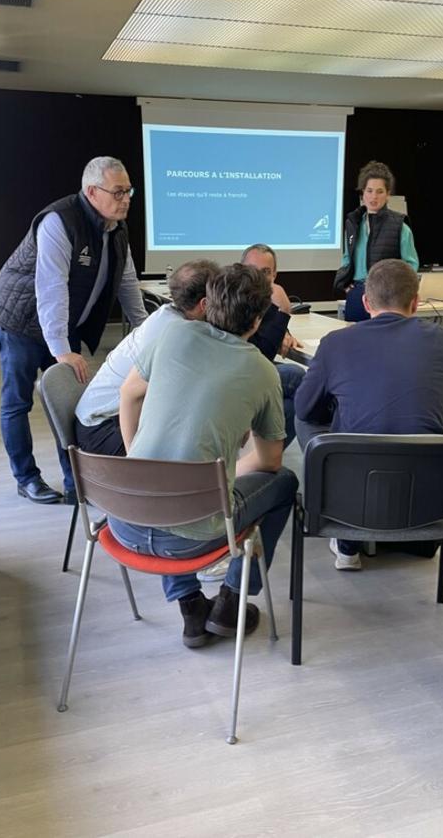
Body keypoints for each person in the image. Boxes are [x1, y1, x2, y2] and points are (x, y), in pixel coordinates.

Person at [111, 263, 298, 649]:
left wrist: (135, 463)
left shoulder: (173, 333)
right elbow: (270, 462)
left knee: (168, 484)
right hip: (190, 540)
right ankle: (232, 600)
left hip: (122, 519)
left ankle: (191, 609)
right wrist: (220, 478)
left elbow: (129, 393)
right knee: (286, 483)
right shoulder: (262, 371)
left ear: (207, 304)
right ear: (260, 319)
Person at [295, 258, 443, 571]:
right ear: (416, 302)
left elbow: (305, 408)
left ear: (365, 302)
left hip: (352, 499)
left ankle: (347, 542)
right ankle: (417, 535)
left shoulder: (335, 343)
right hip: (431, 503)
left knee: (311, 419)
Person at [0, 156, 147, 505]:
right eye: (119, 191)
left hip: (60, 322)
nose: (126, 198)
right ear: (92, 192)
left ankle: (77, 483)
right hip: (20, 320)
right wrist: (61, 350)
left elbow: (127, 281)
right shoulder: (59, 222)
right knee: (17, 400)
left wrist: (147, 331)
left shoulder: (116, 227)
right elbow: (51, 288)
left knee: (70, 402)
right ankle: (26, 478)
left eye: (129, 191)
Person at [73, 259, 219, 456]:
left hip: (102, 421)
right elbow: (131, 394)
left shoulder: (167, 315)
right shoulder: (177, 332)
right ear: (205, 304)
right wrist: (136, 458)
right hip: (103, 429)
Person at [334, 160, 419, 323]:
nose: (374, 196)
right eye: (369, 191)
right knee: (356, 344)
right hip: (358, 293)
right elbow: (347, 258)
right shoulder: (353, 223)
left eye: (379, 191)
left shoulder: (400, 226)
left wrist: (400, 292)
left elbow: (411, 265)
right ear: (362, 193)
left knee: (386, 344)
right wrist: (345, 285)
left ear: (388, 194)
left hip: (388, 297)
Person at [241, 243, 305, 446]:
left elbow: (263, 325)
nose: (260, 278)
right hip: (238, 374)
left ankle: (260, 452)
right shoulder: (236, 299)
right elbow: (262, 356)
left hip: (243, 368)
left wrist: (283, 331)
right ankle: (263, 456)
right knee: (297, 378)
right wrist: (284, 311)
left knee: (291, 399)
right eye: (253, 271)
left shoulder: (255, 298)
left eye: (266, 272)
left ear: (275, 275)